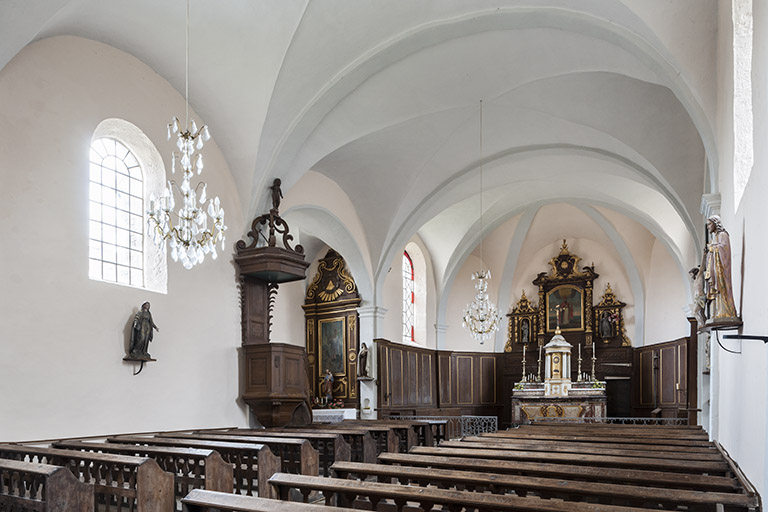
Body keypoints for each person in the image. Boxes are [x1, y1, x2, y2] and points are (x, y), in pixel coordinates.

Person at [702, 215, 739, 326]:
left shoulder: (723, 235)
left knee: (722, 288)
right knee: (717, 292)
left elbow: (724, 250)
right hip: (716, 269)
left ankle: (727, 312)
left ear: (715, 223)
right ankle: (719, 312)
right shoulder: (715, 237)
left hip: (722, 270)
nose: (708, 227)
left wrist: (712, 248)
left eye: (709, 224)